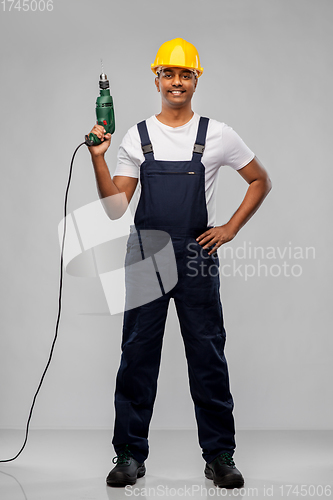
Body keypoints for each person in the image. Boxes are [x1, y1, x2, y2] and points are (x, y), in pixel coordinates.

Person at [87, 38, 272, 489]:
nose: (176, 81)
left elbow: (260, 181)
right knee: (137, 357)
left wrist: (229, 228)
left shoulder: (218, 134)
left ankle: (220, 455)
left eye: (184, 74)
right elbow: (115, 209)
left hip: (196, 256)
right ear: (157, 79)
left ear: (196, 79)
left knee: (207, 356)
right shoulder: (136, 135)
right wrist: (98, 159)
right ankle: (129, 454)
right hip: (147, 254)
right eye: (168, 74)